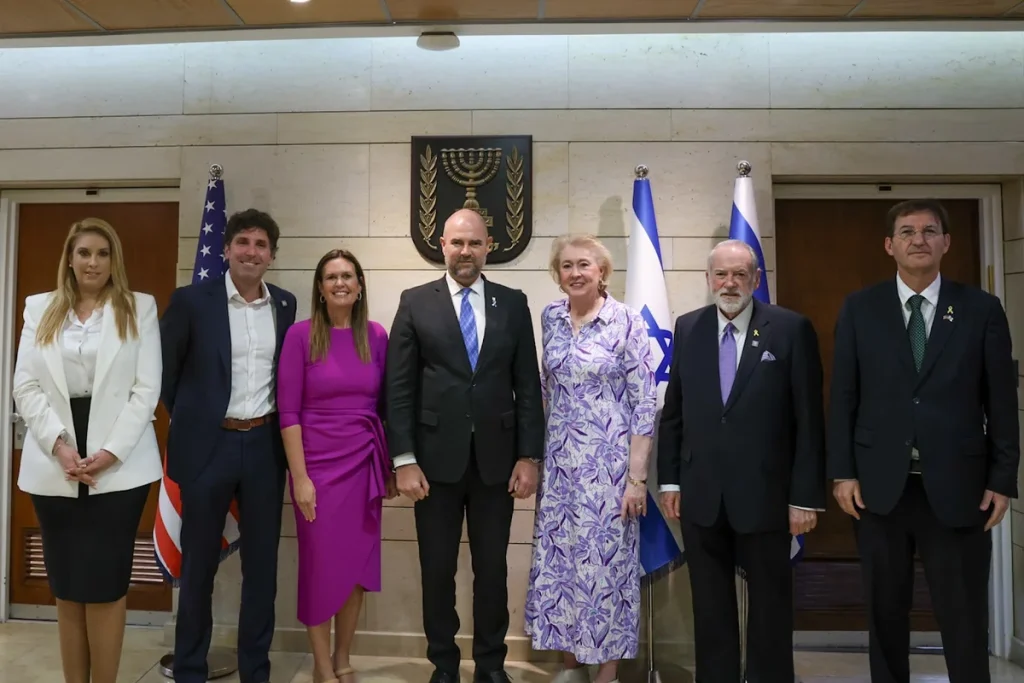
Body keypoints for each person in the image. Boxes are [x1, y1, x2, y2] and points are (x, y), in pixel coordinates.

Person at [828, 199, 1019, 683]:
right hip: (879, 489)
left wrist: (1002, 479)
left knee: (964, 615)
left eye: (930, 231)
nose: (919, 240)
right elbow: (843, 395)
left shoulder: (980, 309)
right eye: (907, 232)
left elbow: (1000, 400)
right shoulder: (860, 308)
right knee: (885, 613)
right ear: (889, 245)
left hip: (960, 487)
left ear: (946, 243)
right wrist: (842, 472)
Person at [386, 208, 545, 683]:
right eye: (457, 243)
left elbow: (527, 386)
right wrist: (404, 459)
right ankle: (444, 665)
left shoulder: (512, 303)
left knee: (491, 571)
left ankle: (491, 666)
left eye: (474, 243)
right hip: (432, 465)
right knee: (437, 570)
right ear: (442, 245)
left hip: (497, 464)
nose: (465, 252)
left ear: (488, 247)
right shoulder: (416, 302)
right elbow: (399, 388)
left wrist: (528, 455)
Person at [657, 239, 826, 683]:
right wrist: (670, 481)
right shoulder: (688, 327)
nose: (729, 283)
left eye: (739, 274)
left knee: (770, 607)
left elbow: (809, 420)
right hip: (701, 494)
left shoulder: (790, 329)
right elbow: (674, 413)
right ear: (708, 279)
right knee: (710, 608)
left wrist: (805, 497)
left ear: (755, 278)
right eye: (721, 274)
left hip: (768, 496)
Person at [13, 218, 163, 683]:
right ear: (70, 258)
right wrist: (59, 446)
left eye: (102, 253)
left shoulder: (139, 308)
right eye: (83, 253)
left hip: (118, 465)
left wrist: (110, 452)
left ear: (114, 259)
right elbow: (25, 385)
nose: (92, 262)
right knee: (66, 585)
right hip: (54, 459)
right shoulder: (39, 308)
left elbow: (146, 390)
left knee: (104, 584)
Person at [160, 208, 297, 683]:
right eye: (243, 242)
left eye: (261, 245)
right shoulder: (191, 302)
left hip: (264, 448)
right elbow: (168, 376)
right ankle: (190, 668)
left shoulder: (285, 305)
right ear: (225, 249)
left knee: (261, 569)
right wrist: (199, 421)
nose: (251, 252)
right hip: (208, 448)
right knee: (198, 567)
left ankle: (255, 670)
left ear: (272, 255)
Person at [524, 234, 657, 683]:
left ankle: (608, 672)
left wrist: (636, 479)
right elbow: (545, 389)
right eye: (566, 266)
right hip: (560, 467)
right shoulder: (551, 317)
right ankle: (571, 666)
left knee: (607, 569)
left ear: (602, 272)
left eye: (584, 264)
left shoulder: (626, 321)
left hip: (609, 470)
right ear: (557, 274)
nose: (575, 273)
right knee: (562, 565)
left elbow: (643, 403)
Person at [277, 249, 396, 683]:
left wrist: (389, 466)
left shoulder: (376, 336)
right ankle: (322, 667)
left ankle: (343, 659)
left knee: (357, 568)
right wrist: (300, 478)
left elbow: (387, 406)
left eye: (348, 276)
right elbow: (288, 412)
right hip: (317, 469)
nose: (340, 283)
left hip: (363, 465)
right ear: (320, 288)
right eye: (331, 277)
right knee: (319, 566)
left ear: (360, 286)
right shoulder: (300, 336)